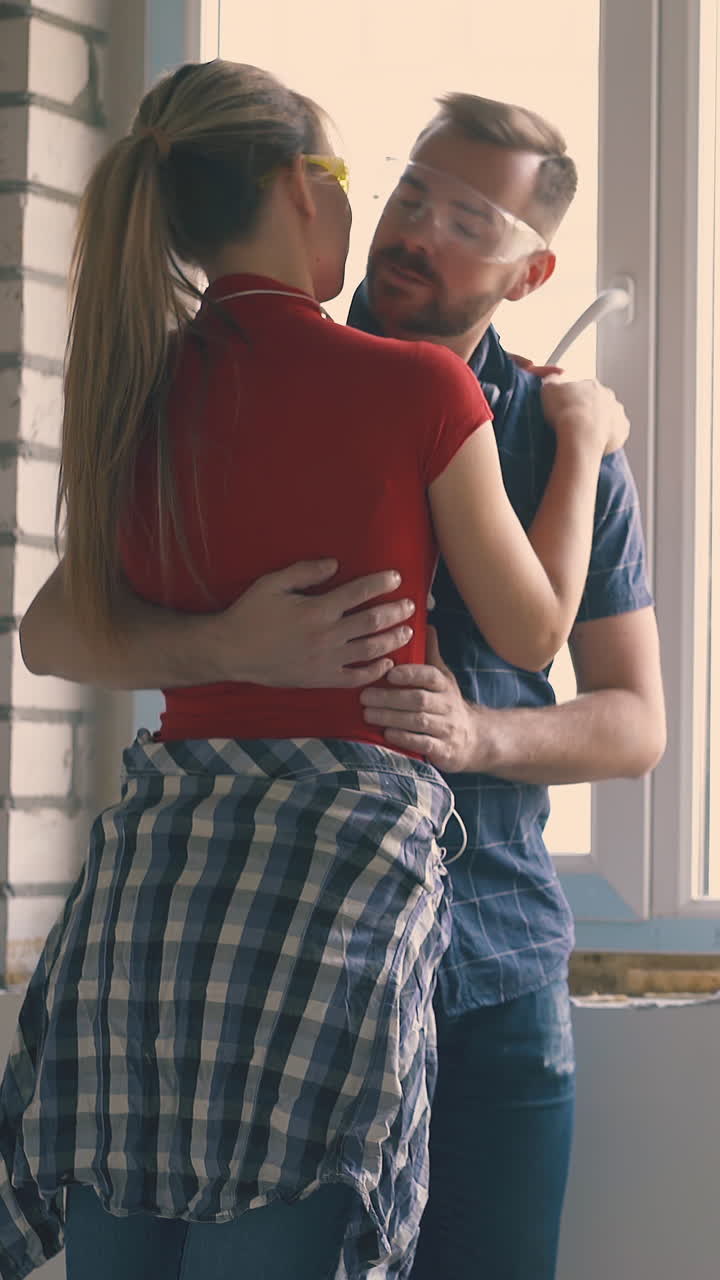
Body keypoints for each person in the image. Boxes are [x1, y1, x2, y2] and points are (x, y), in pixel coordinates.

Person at [0, 64, 627, 1280]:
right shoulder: (422, 390)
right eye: (395, 189)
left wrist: (221, 650)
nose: (409, 225)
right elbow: (535, 630)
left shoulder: (142, 381)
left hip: (159, 882)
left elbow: (51, 631)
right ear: (305, 188)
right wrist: (586, 447)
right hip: (334, 886)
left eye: (470, 218)